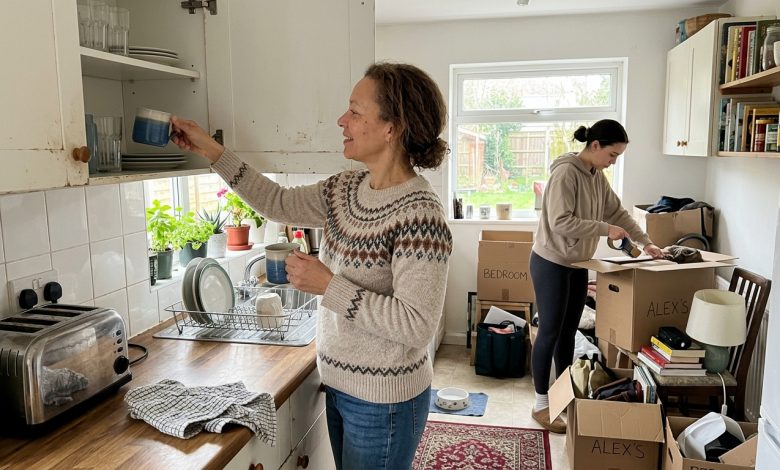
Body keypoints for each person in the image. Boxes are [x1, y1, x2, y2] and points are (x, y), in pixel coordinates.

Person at [170, 62, 453, 470]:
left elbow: (416, 325)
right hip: (339, 386)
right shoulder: (345, 189)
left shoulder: (421, 217)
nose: (342, 120)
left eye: (355, 112)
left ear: (393, 127)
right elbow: (277, 201)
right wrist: (210, 149)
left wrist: (328, 285)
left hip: (385, 402)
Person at [529, 119, 663, 433]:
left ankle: (560, 399)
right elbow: (561, 221)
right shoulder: (565, 173)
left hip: (577, 262)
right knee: (549, 331)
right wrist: (605, 230)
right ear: (595, 146)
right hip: (550, 261)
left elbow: (617, 212)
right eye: (612, 154)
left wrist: (646, 242)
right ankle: (540, 404)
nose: (613, 161)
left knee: (568, 331)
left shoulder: (595, 176)